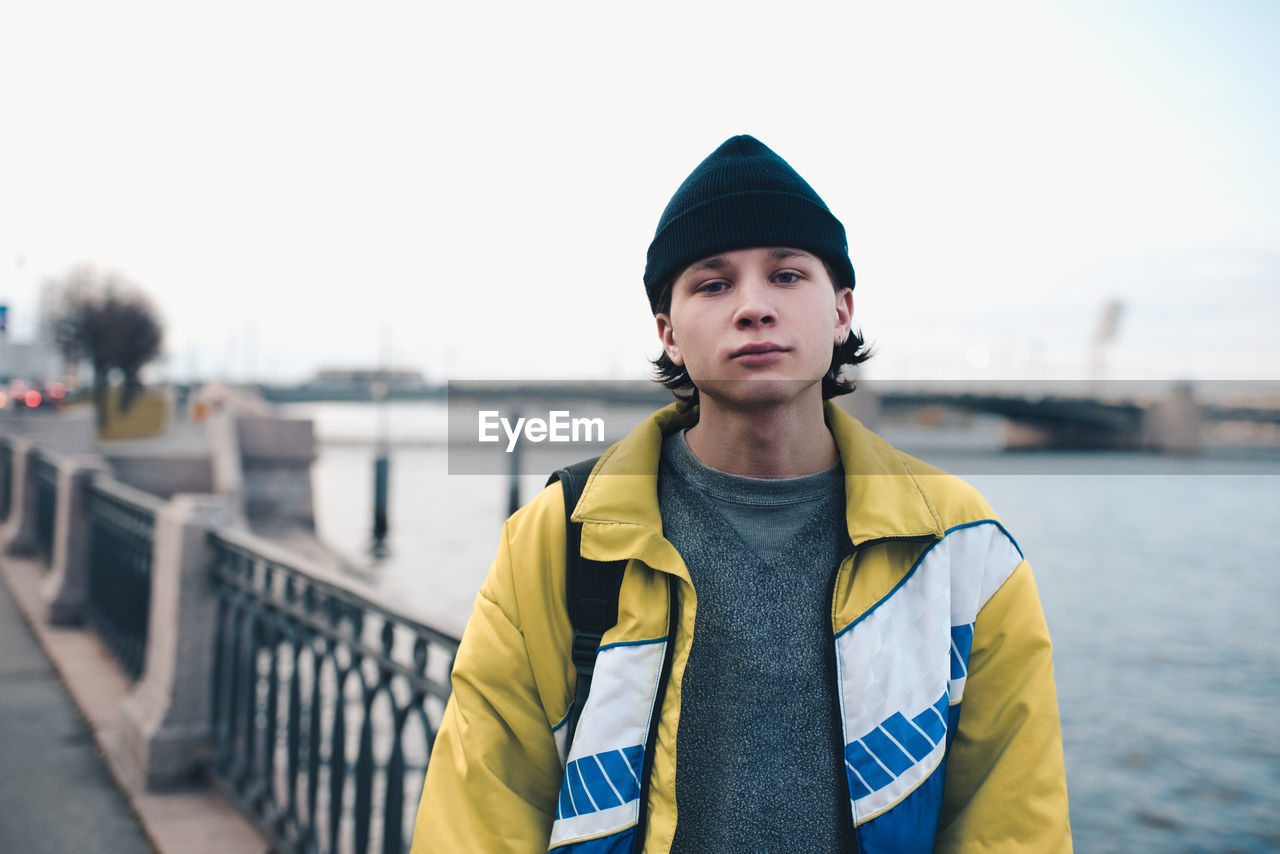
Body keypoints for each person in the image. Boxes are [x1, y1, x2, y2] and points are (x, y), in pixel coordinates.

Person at [411, 135, 1071, 853]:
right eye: (713, 284)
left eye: (787, 276)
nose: (753, 307)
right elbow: (482, 805)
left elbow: (1011, 823)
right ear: (668, 333)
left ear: (842, 311)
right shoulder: (562, 533)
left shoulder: (961, 543)